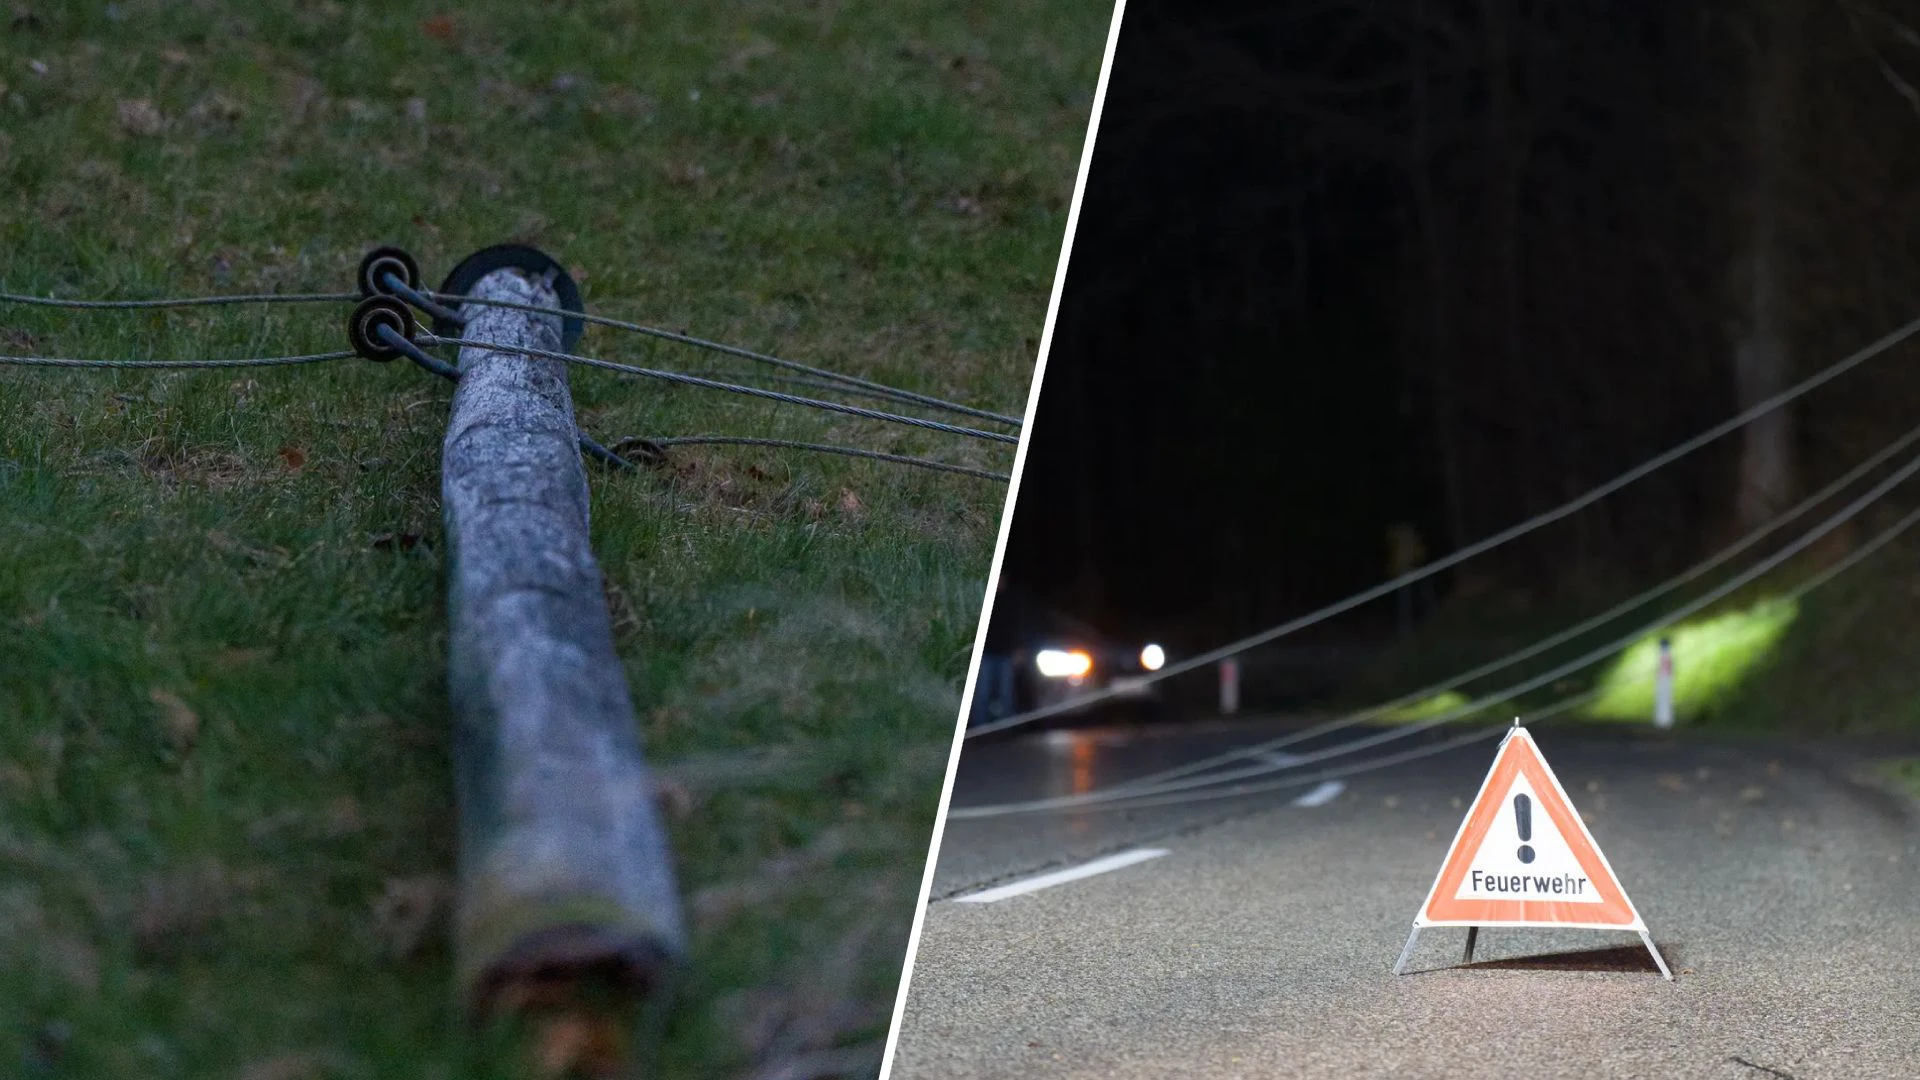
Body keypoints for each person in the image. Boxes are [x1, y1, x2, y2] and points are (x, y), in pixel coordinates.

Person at [971, 575, 1022, 726]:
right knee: (983, 692)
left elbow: (1015, 627)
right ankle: (981, 726)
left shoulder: (1010, 602)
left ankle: (1006, 725)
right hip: (986, 653)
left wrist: (1018, 649)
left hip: (1005, 654)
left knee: (1006, 693)